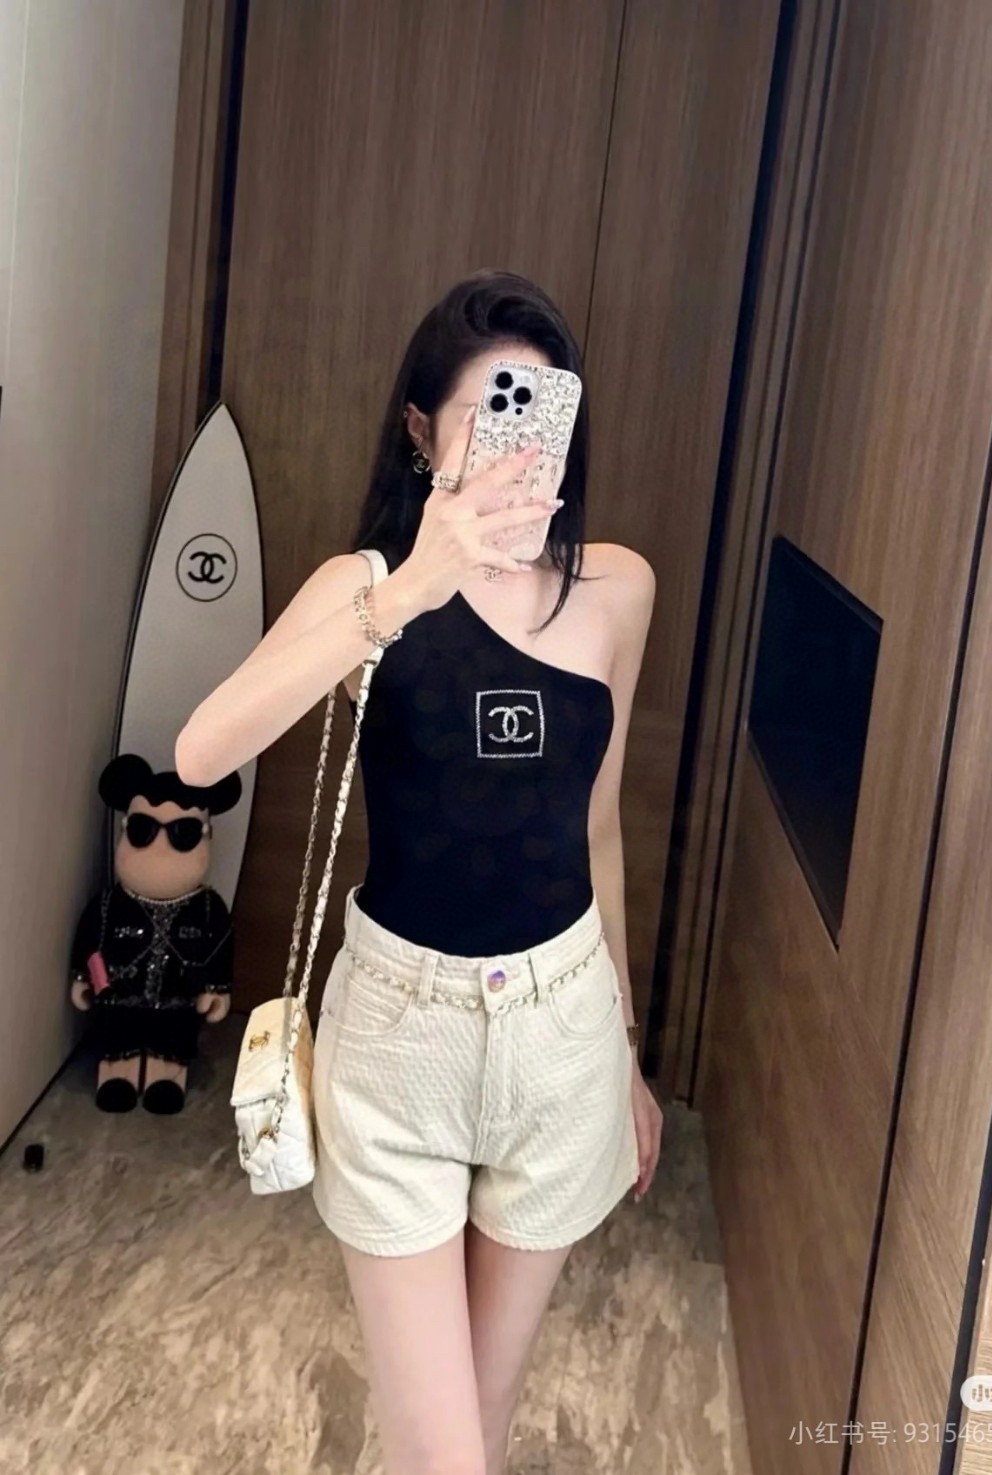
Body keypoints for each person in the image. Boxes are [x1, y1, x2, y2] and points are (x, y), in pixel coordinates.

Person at [176, 269, 663, 1474]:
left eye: (544, 414)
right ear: (419, 430)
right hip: (402, 1042)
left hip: (563, 1034)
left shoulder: (617, 588)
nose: (520, 448)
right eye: (492, 413)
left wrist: (625, 1044)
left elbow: (598, 827)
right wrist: (407, 592)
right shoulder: (367, 587)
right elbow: (201, 751)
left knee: (474, 1434)